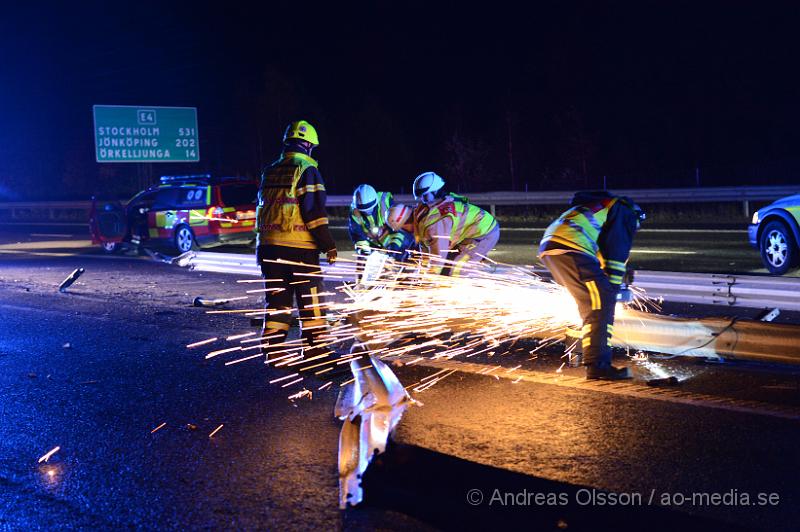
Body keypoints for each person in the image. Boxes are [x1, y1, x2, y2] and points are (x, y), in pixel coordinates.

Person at [538, 191, 644, 380]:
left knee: (592, 304)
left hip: (552, 247)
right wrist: (613, 290)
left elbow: (601, 254)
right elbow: (615, 256)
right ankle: (598, 366)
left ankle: (595, 361)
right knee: (601, 305)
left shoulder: (602, 206)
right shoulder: (625, 211)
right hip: (572, 248)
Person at [255, 120, 337, 359]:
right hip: (299, 250)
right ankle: (316, 352)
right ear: (309, 146)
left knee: (277, 302)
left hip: (268, 249)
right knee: (311, 301)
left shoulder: (270, 170)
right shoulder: (306, 169)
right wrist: (328, 245)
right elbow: (314, 214)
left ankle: (272, 351)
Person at [399, 171, 499, 276]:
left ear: (435, 191)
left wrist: (428, 278)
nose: (423, 200)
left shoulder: (438, 220)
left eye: (425, 195)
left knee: (456, 269)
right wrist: (423, 270)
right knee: (447, 266)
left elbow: (438, 256)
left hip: (484, 234)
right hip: (469, 233)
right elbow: (427, 251)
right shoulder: (428, 211)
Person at [349, 184, 415, 261]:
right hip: (373, 244)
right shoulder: (355, 213)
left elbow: (398, 229)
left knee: (401, 259)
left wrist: (393, 247)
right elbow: (358, 236)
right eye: (364, 211)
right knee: (363, 264)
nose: (368, 212)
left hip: (392, 241)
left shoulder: (385, 202)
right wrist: (364, 251)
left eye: (370, 208)